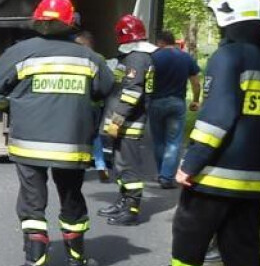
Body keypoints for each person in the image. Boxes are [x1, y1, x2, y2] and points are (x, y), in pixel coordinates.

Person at [143, 0, 260, 266]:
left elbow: (218, 116)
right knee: (243, 246)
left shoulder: (228, 57)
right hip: (253, 181)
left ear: (226, 15)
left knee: (189, 236)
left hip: (213, 177)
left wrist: (190, 163)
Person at [0, 0, 113, 266]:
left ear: (38, 21)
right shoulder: (90, 58)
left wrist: (18, 106)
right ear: (71, 23)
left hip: (28, 144)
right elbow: (103, 90)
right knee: (72, 199)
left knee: (32, 203)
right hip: (72, 145)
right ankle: (77, 264)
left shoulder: (19, 52)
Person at [98, 14, 156, 226]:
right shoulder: (133, 56)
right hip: (124, 121)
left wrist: (117, 119)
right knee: (120, 166)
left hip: (128, 123)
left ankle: (131, 209)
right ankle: (123, 201)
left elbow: (132, 92)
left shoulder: (137, 58)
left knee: (129, 167)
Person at [149, 31, 202, 189]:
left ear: (160, 42)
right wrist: (195, 100)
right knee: (173, 142)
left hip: (156, 102)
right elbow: (195, 82)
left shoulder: (154, 57)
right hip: (177, 103)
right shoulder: (185, 57)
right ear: (173, 42)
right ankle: (166, 177)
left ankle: (162, 174)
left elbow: (147, 80)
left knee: (158, 141)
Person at [75, 30, 111, 182]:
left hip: (80, 103)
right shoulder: (100, 58)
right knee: (95, 134)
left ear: (84, 44)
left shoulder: (78, 59)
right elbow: (107, 82)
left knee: (78, 133)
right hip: (97, 104)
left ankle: (80, 163)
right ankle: (101, 164)